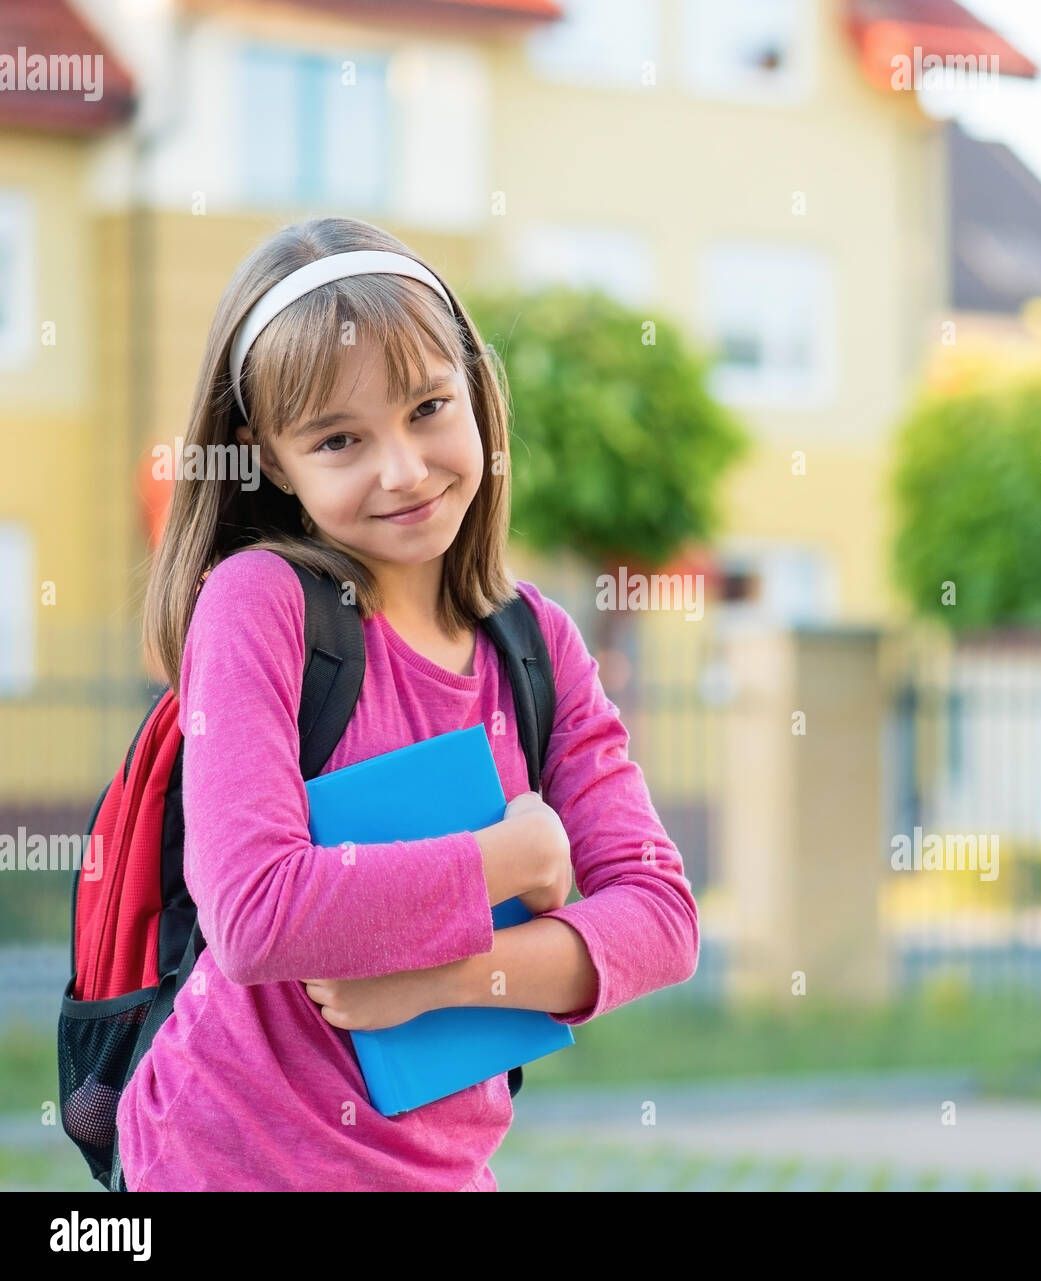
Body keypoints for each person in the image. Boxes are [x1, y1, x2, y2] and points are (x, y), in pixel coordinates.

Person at [117, 216, 700, 1191]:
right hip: (226, 1166)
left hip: (439, 1171)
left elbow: (661, 920)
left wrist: (448, 979)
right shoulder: (262, 605)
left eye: (428, 407)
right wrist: (513, 859)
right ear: (270, 461)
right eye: (339, 438)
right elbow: (257, 915)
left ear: (476, 390)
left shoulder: (536, 645)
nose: (402, 468)